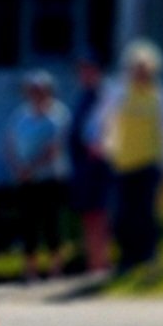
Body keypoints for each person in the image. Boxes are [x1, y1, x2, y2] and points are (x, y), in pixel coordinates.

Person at [102, 39, 163, 274]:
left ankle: (149, 256)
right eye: (137, 68)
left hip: (150, 160)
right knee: (123, 213)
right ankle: (127, 257)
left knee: (146, 212)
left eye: (145, 68)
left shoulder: (161, 95)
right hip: (124, 161)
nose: (141, 73)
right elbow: (105, 121)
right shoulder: (119, 92)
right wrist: (107, 148)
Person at [4, 69, 71, 279]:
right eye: (32, 90)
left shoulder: (58, 115)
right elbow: (10, 144)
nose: (35, 93)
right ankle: (30, 268)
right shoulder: (20, 115)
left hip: (50, 177)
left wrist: (32, 166)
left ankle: (56, 267)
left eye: (40, 90)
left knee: (52, 222)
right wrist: (18, 168)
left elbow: (55, 147)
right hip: (26, 179)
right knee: (28, 224)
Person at [68, 57, 113, 277]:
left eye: (89, 70)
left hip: (100, 165)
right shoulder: (82, 98)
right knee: (88, 215)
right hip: (83, 165)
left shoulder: (104, 97)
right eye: (82, 71)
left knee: (101, 214)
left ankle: (102, 261)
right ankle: (93, 263)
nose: (85, 75)